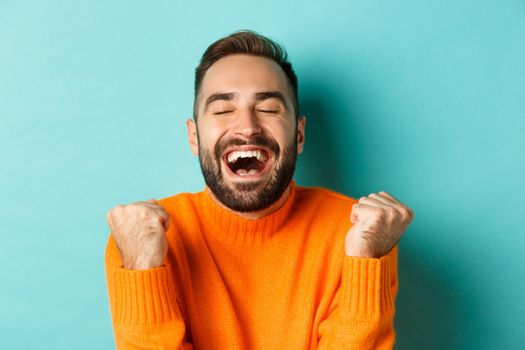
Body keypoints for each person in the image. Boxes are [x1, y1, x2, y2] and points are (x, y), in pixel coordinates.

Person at [104, 30, 414, 349]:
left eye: (268, 108)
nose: (248, 126)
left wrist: (365, 260)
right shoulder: (142, 238)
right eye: (223, 110)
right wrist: (142, 267)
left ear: (300, 134)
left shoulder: (358, 234)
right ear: (194, 137)